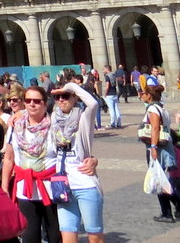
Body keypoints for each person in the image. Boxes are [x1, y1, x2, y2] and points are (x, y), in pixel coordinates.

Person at [1, 85, 60, 243]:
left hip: (52, 190)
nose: (32, 104)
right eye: (28, 100)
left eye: (37, 101)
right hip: (25, 191)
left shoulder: (55, 126)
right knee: (29, 237)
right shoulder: (15, 126)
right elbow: (9, 158)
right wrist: (4, 187)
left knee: (55, 236)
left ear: (45, 104)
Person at [49, 81, 103, 243]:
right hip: (62, 186)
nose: (61, 100)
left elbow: (93, 103)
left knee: (95, 237)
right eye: (57, 97)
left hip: (85, 185)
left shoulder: (83, 119)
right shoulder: (53, 120)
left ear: (75, 97)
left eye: (65, 96)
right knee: (68, 237)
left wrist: (71, 86)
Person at [139, 84, 180, 222]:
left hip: (158, 147)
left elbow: (155, 128)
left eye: (143, 93)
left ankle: (170, 211)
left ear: (149, 95)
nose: (141, 95)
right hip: (164, 146)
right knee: (160, 178)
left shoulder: (152, 109)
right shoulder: (162, 108)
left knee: (158, 179)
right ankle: (179, 204)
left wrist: (153, 146)